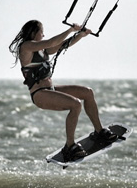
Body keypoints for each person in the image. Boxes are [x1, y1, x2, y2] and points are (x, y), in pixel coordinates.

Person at [9, 20, 117, 162]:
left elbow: (63, 44)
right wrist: (70, 30)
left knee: (87, 93)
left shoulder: (42, 50)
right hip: (40, 94)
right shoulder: (26, 47)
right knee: (76, 104)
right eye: (42, 32)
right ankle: (69, 146)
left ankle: (99, 131)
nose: (43, 35)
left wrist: (80, 35)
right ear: (34, 33)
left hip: (50, 90)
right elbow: (51, 42)